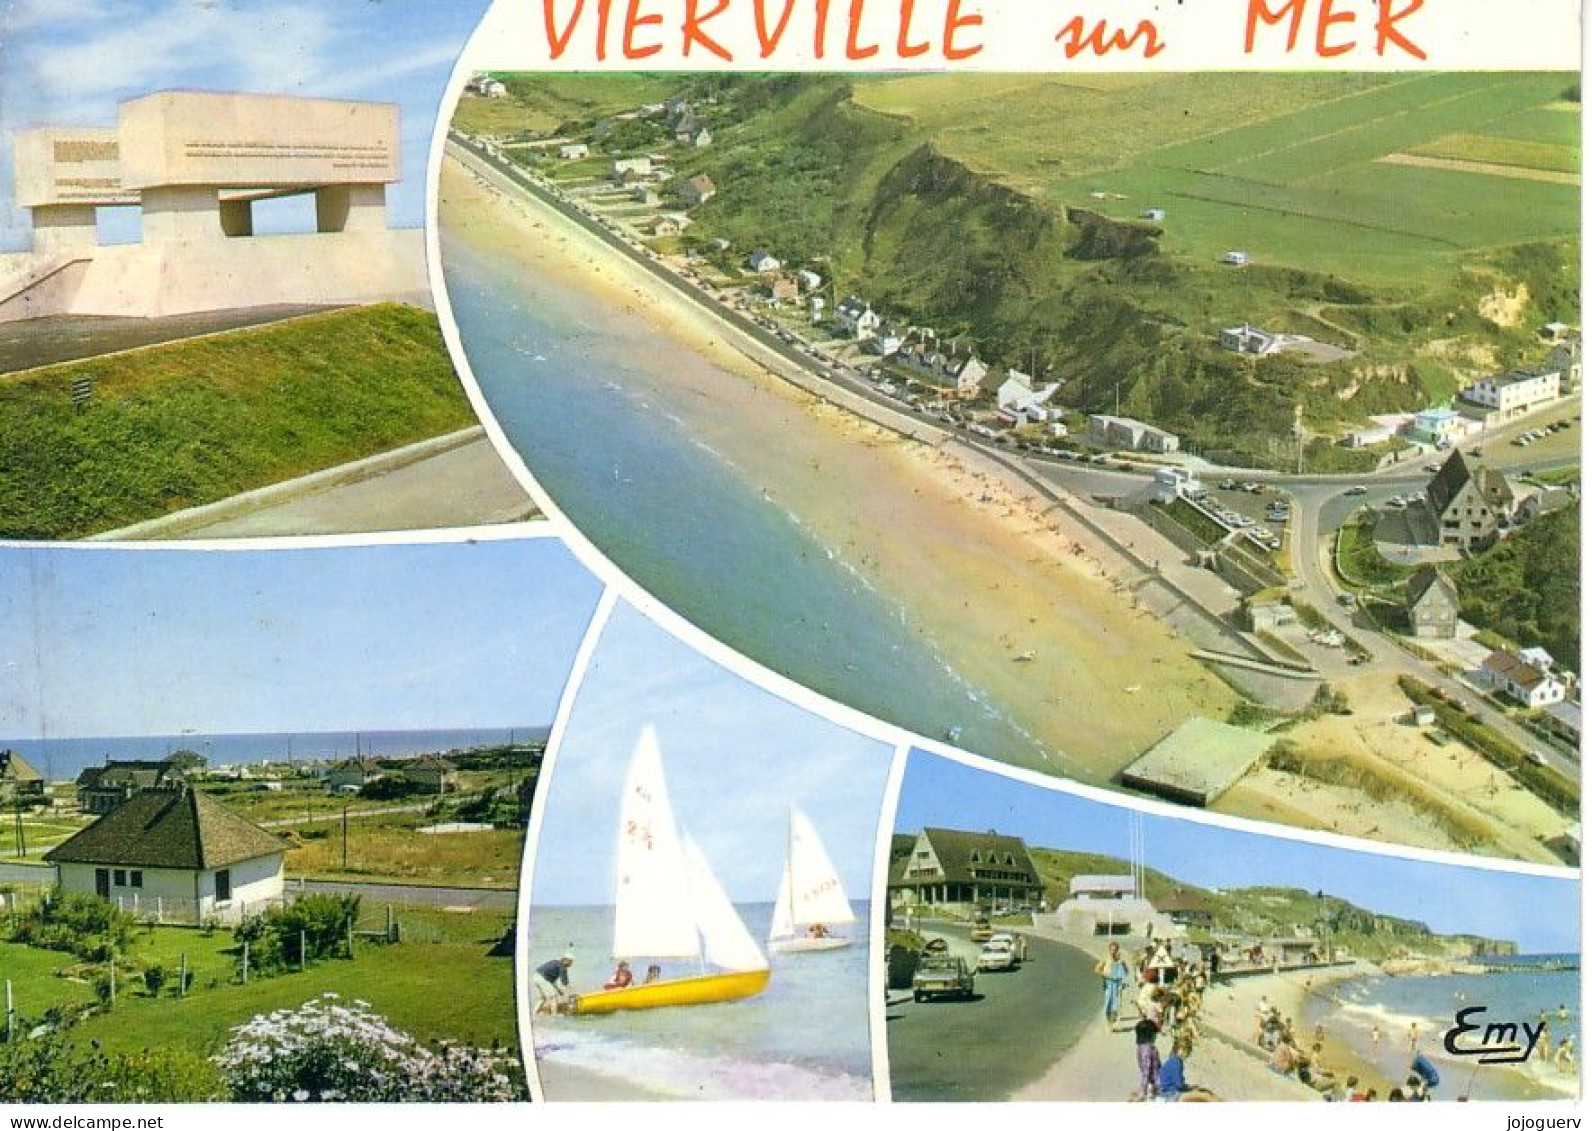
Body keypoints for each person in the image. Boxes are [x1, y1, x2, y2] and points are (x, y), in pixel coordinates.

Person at [1098, 942, 1130, 1026]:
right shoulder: (1105, 959)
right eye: (1112, 950)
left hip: (1117, 983)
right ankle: (1107, 1018)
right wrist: (1106, 975)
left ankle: (1114, 1019)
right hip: (1108, 982)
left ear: (1117, 950)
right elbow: (1097, 969)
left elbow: (1126, 971)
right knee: (1108, 999)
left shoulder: (1120, 960)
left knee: (1117, 1000)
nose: (1113, 952)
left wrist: (1123, 970)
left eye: (1115, 950)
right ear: (1109, 950)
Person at [1133, 1013, 1161, 1100]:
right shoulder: (1148, 1050)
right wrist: (1144, 1089)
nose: (1156, 1037)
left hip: (1152, 1082)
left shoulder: (1141, 1048)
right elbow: (1146, 1069)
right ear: (1150, 1035)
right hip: (1153, 1084)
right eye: (1154, 1034)